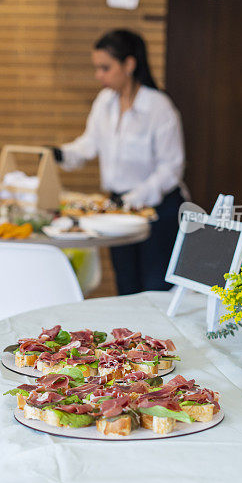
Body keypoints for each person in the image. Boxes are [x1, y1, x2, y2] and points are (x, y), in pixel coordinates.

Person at [53, 29, 187, 296]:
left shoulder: (159, 107)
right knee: (126, 287)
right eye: (96, 68)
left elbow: (171, 168)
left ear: (129, 64)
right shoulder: (105, 102)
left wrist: (133, 198)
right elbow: (89, 144)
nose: (98, 76)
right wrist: (59, 154)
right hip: (118, 211)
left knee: (156, 290)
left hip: (157, 210)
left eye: (105, 68)